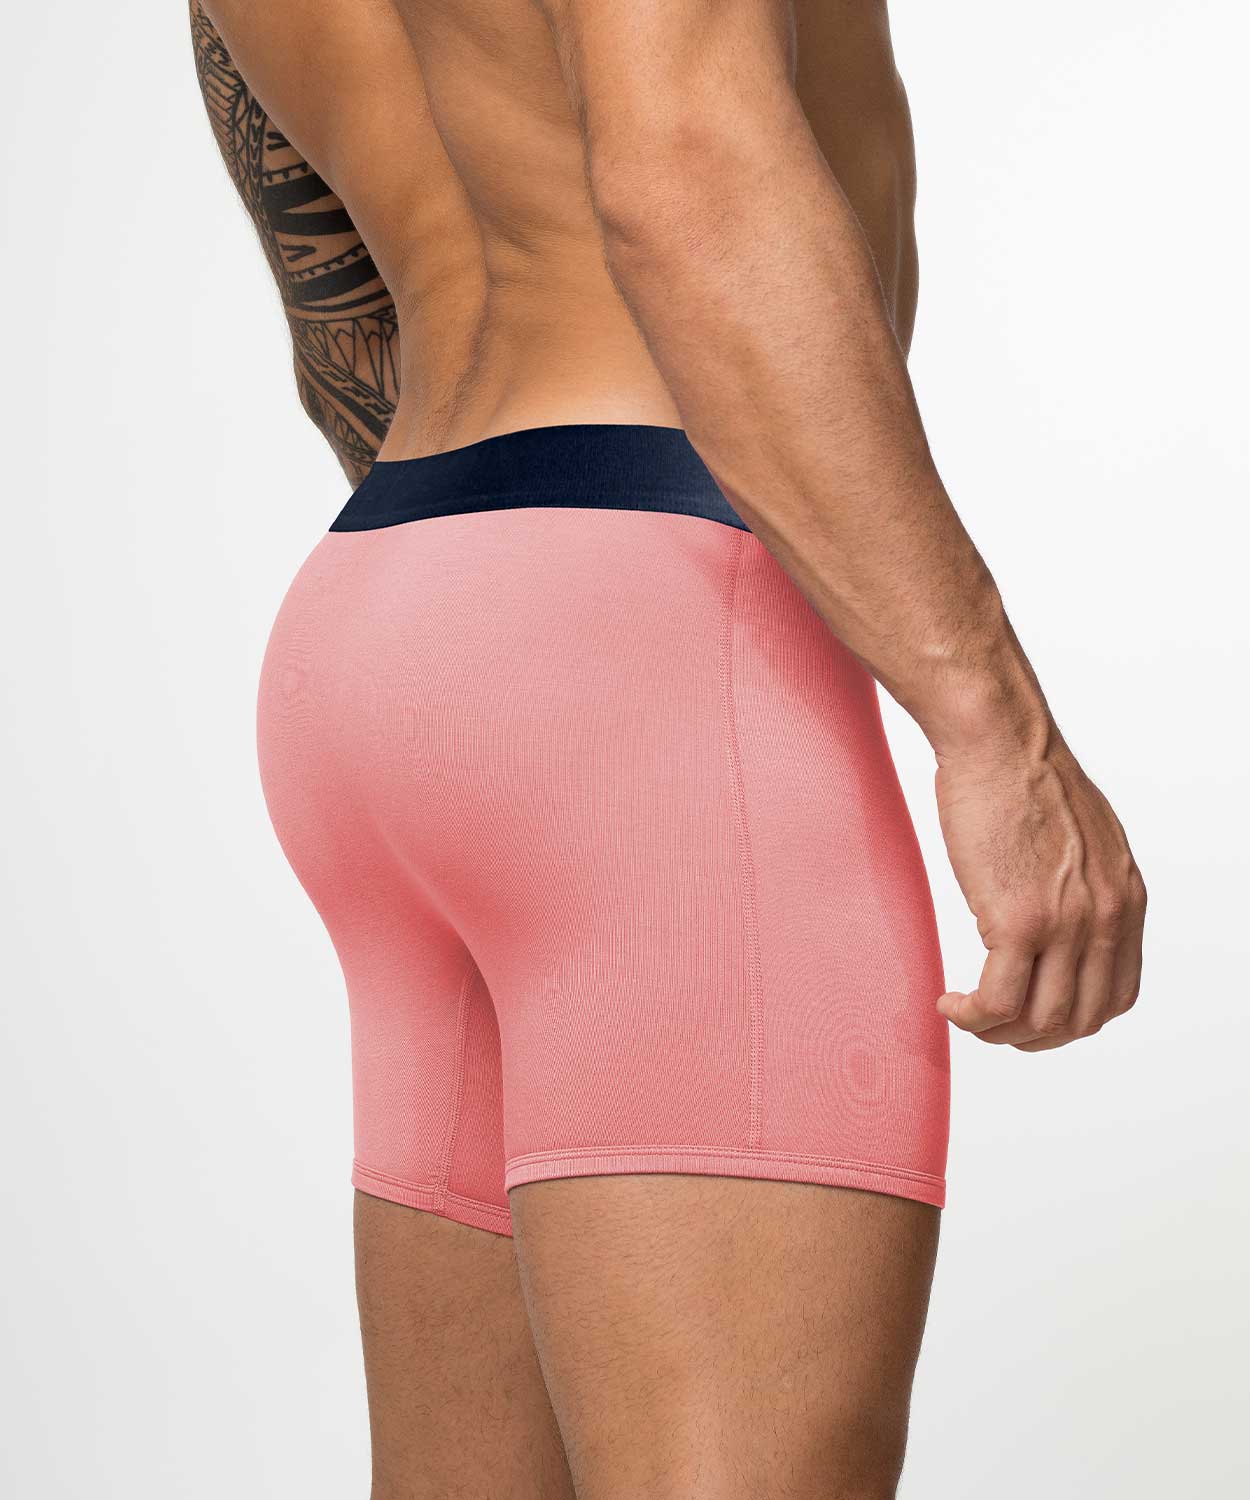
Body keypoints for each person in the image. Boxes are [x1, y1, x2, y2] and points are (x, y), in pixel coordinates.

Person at [190, 2, 1146, 1495]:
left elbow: (331, 300)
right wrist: (995, 729)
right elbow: (684, 168)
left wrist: (498, 630)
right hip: (653, 612)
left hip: (391, 587)